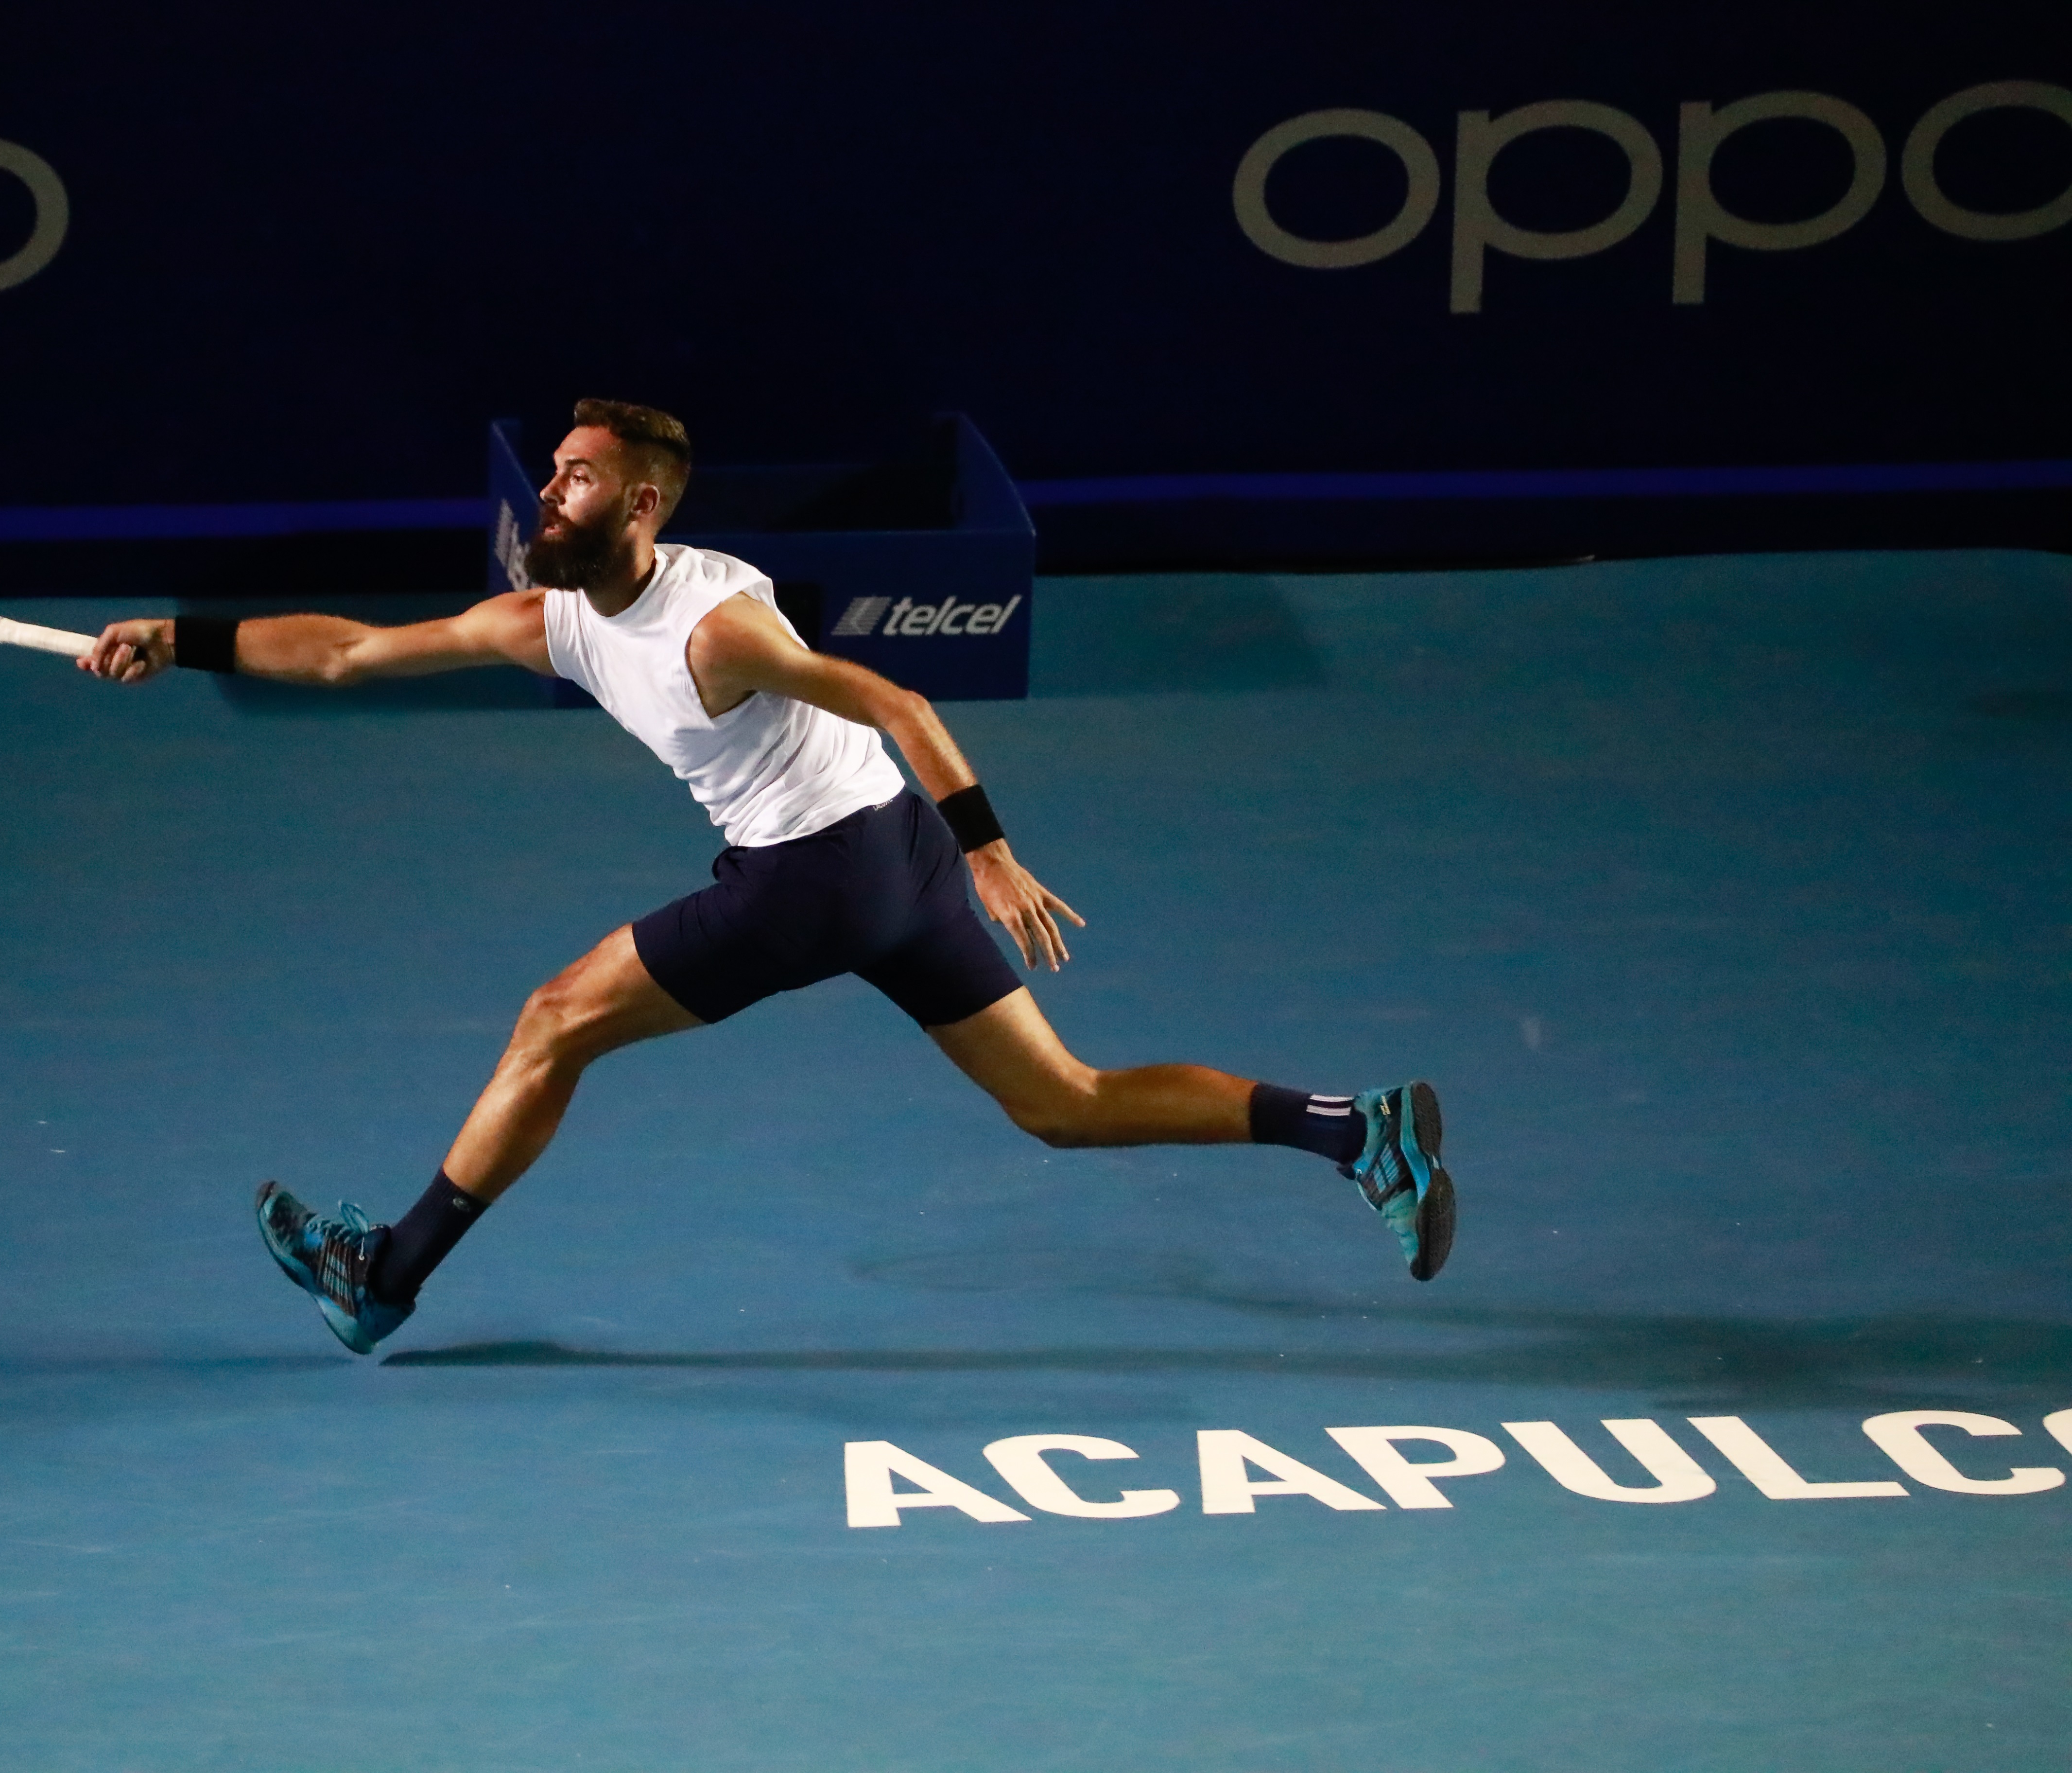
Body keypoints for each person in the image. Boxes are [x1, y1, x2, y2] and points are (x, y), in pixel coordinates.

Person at [80, 399, 1454, 1354]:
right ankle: (1353, 1129)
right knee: (1065, 1105)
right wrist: (179, 637)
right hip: (884, 859)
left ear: (644, 501)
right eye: (549, 468)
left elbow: (901, 698)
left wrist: (990, 850)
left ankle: (382, 1277)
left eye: (571, 474)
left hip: (831, 869)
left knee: (557, 1019)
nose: (546, 487)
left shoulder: (714, 627)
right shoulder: (546, 620)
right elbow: (344, 654)